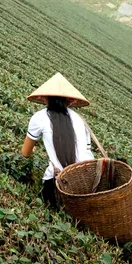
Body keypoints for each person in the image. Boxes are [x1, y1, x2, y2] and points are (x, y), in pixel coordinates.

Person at [21, 73, 95, 207]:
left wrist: (33, 150)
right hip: (86, 183)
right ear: (70, 101)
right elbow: (87, 154)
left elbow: (25, 153)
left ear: (45, 98)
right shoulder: (80, 120)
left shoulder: (39, 117)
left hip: (59, 184)